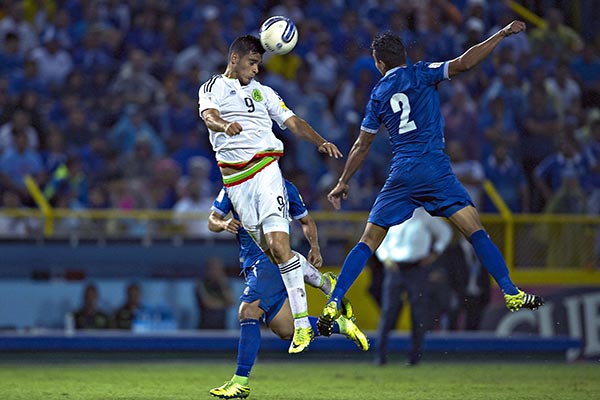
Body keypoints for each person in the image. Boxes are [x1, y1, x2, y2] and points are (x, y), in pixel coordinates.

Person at [318, 21, 544, 334]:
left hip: (402, 173)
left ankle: (335, 299)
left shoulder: (378, 93)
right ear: (403, 57)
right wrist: (501, 35)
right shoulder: (422, 72)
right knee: (474, 230)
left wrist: (343, 182)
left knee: (368, 241)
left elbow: (361, 145)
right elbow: (465, 62)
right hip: (434, 169)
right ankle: (510, 291)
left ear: (379, 63)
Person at [198, 35, 342, 354]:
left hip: (266, 172)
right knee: (274, 252)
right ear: (234, 59)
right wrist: (223, 126)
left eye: (259, 64)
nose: (256, 70)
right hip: (238, 184)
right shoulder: (212, 88)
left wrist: (319, 140)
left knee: (279, 245)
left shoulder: (266, 93)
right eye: (252, 63)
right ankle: (324, 282)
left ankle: (303, 326)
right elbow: (208, 116)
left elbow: (292, 122)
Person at [208, 179, 367, 399]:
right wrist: (224, 224)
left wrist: (315, 247)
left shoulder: (284, 187)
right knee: (286, 330)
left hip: (268, 262)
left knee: (248, 311)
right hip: (253, 263)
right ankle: (340, 325)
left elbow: (306, 220)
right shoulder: (233, 185)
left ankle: (240, 381)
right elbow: (212, 220)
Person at [374, 207, 452, 366]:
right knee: (389, 311)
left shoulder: (425, 215)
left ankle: (415, 356)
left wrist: (435, 253)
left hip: (417, 268)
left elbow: (445, 233)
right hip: (394, 268)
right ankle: (380, 355)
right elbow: (378, 238)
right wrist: (385, 258)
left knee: (418, 313)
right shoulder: (392, 212)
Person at [195, 257, 235, 329]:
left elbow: (231, 302)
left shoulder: (224, 285)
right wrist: (224, 304)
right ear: (208, 270)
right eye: (214, 269)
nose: (216, 272)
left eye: (219, 269)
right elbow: (208, 303)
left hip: (221, 326)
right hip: (205, 327)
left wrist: (222, 284)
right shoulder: (201, 284)